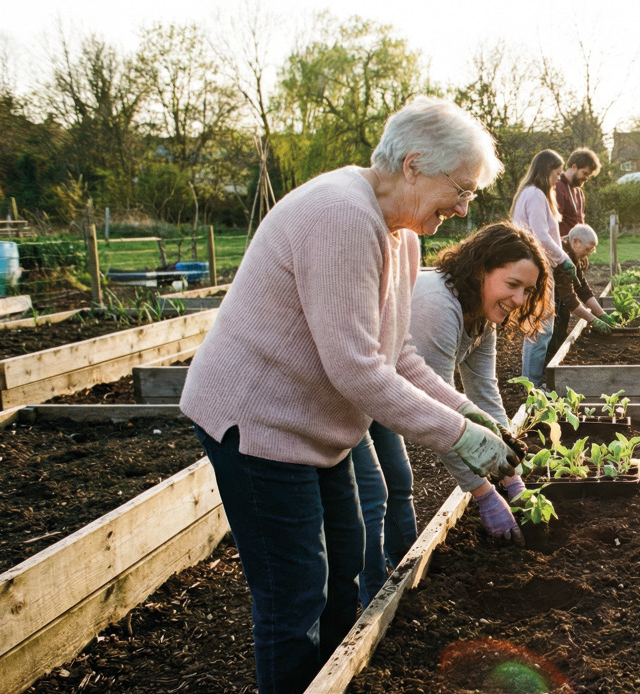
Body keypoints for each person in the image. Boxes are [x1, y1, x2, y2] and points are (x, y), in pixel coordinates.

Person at [180, 96, 515, 694]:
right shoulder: (340, 214)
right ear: (414, 165)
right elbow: (358, 372)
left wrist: (463, 408)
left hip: (318, 427)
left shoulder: (402, 233)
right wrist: (460, 436)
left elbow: (396, 355)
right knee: (294, 593)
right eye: (461, 190)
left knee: (347, 569)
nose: (464, 209)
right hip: (258, 423)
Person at [353, 221, 554, 605]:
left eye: (527, 291)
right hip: (361, 391)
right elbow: (438, 413)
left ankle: (400, 579)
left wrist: (511, 475)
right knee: (373, 494)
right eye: (512, 284)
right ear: (482, 269)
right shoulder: (439, 307)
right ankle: (373, 597)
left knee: (396, 481)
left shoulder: (481, 314)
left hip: (388, 393)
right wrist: (482, 494)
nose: (519, 298)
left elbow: (483, 395)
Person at [514, 149, 574, 388]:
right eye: (557, 173)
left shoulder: (529, 193)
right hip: (537, 266)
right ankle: (534, 383)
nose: (559, 178)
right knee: (542, 327)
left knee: (538, 326)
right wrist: (563, 259)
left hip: (534, 264)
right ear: (546, 170)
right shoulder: (537, 194)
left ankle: (531, 381)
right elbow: (540, 234)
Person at [548, 223, 616, 357]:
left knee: (561, 325)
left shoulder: (573, 251)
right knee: (551, 332)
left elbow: (582, 287)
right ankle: (546, 368)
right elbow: (570, 299)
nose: (588, 254)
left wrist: (602, 315)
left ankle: (554, 356)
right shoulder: (560, 255)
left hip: (559, 295)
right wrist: (593, 320)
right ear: (575, 241)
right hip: (548, 297)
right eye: (587, 250)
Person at [555, 147, 600, 239]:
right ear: (574, 166)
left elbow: (579, 221)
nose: (586, 179)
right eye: (585, 173)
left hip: (576, 248)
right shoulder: (557, 187)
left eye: (589, 176)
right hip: (561, 247)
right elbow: (553, 223)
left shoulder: (579, 192)